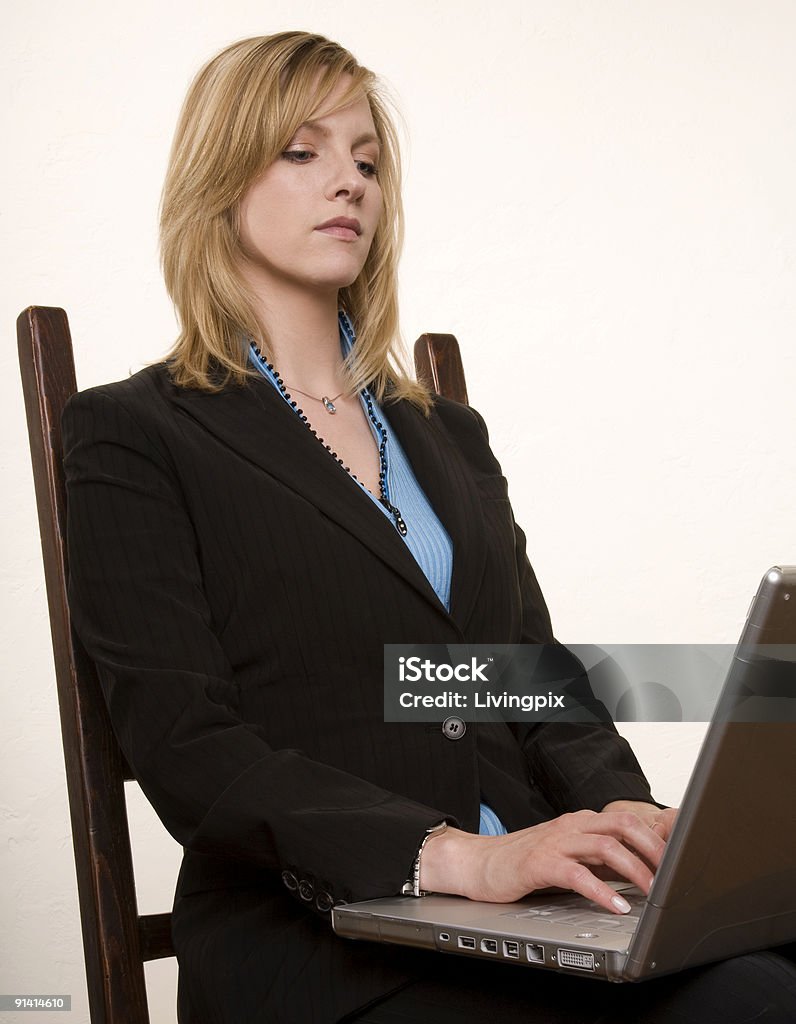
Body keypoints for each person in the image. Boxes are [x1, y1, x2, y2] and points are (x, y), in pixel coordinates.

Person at [61, 31, 796, 1024]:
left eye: (366, 161)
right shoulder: (134, 434)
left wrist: (621, 815)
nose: (348, 183)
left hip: (541, 918)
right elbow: (187, 744)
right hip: (328, 947)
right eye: (303, 151)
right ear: (219, 177)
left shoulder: (445, 434)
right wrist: (458, 855)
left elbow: (521, 670)